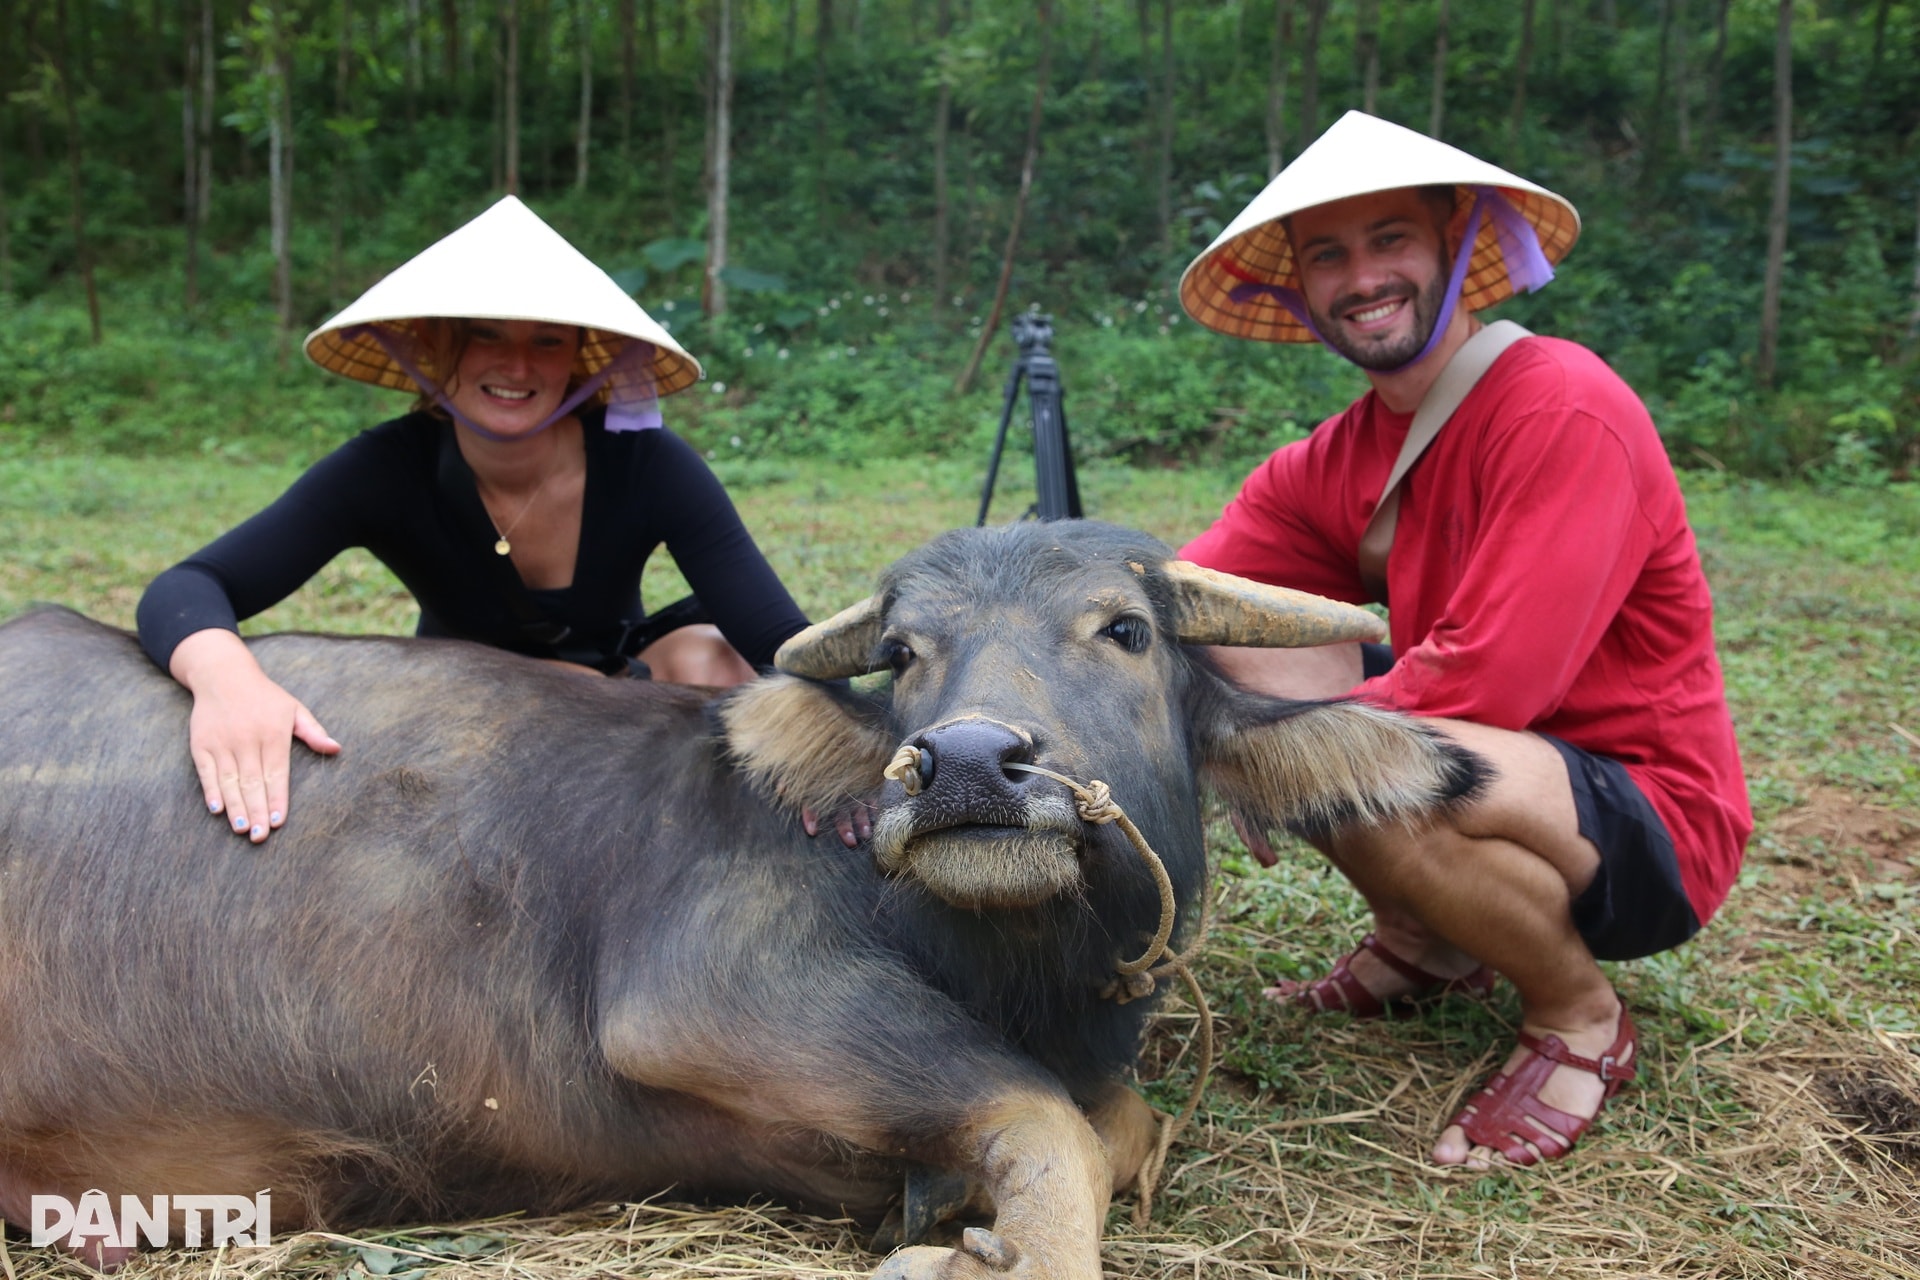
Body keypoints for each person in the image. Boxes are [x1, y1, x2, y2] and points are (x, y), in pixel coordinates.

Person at [1175, 112, 1751, 1168]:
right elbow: (1191, 596)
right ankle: (1427, 941)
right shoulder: (1330, 459)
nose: (1363, 276)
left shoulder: (1563, 404)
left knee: (1354, 758)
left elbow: (1494, 679)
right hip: (1504, 767)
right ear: (1299, 287)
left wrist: (1269, 749)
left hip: (1648, 810)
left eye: (1391, 238)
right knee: (1253, 667)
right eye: (1329, 254)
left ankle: (1581, 1016)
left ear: (1454, 241)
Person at [138, 195, 810, 847]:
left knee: (716, 656)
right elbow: (190, 585)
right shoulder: (387, 468)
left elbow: (782, 643)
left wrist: (842, 737)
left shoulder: (646, 461)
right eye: (484, 334)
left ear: (577, 358)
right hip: (461, 712)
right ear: (434, 346)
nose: (515, 365)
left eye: (545, 342)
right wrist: (229, 683)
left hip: (620, 700)